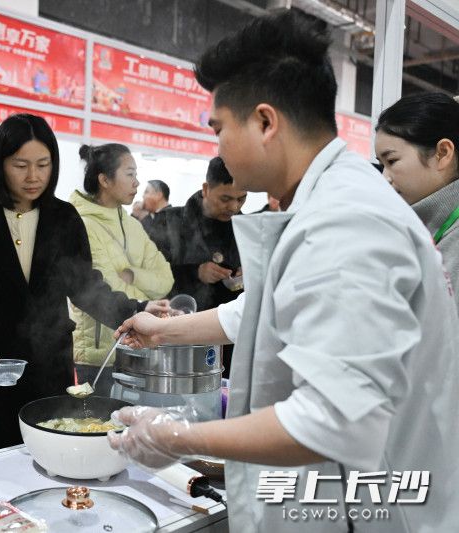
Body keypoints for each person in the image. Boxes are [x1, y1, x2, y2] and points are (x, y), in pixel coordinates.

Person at [108, 9, 459, 533]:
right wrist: (165, 331)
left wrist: (174, 436)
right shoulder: (328, 204)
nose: (218, 146)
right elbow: (262, 310)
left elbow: (335, 420)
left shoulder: (346, 220)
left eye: (221, 128)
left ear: (266, 122)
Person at [0, 114, 169, 454]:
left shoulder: (63, 217)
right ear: (0, 163)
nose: (33, 176)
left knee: (51, 449)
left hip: (48, 366)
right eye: (20, 165)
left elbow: (84, 286)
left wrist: (136, 309)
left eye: (43, 164)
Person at [69, 144, 174, 395]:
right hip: (93, 358)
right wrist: (142, 299)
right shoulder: (81, 223)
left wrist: (133, 275)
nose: (137, 183)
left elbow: (165, 279)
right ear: (104, 179)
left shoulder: (133, 225)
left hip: (132, 348)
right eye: (129, 174)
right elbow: (102, 286)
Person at [375, 92, 459, 308]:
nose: (385, 178)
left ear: (443, 153)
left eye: (392, 161)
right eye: (381, 164)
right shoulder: (421, 228)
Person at [172, 157, 246, 308]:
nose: (234, 207)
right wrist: (195, 273)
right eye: (225, 198)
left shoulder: (246, 229)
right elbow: (149, 276)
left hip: (227, 322)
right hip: (180, 319)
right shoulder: (170, 222)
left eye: (241, 199)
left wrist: (248, 272)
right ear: (206, 189)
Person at [140, 179, 179, 262]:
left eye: (146, 192)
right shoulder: (147, 219)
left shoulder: (174, 219)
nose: (143, 196)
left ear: (159, 195)